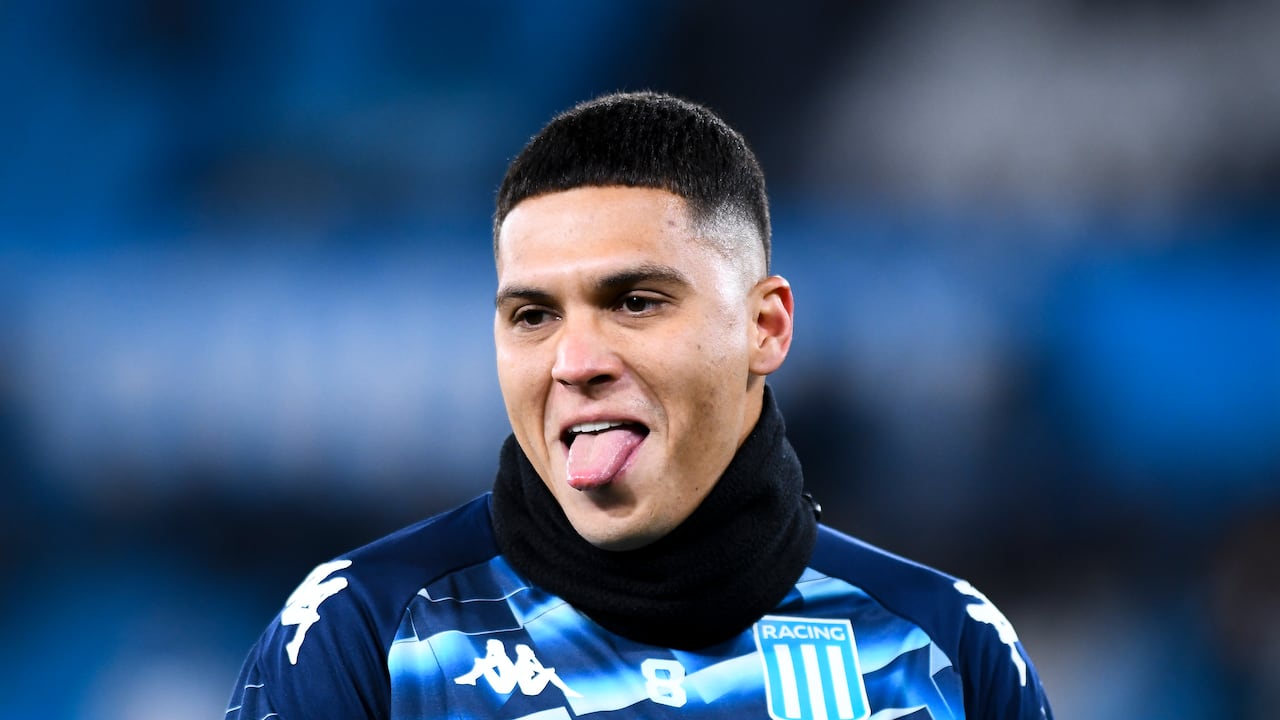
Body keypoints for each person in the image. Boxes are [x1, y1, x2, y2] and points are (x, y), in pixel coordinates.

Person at [226, 91, 1054, 720]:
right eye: (533, 315)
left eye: (635, 302)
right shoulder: (368, 634)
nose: (574, 363)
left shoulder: (941, 647)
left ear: (764, 328)